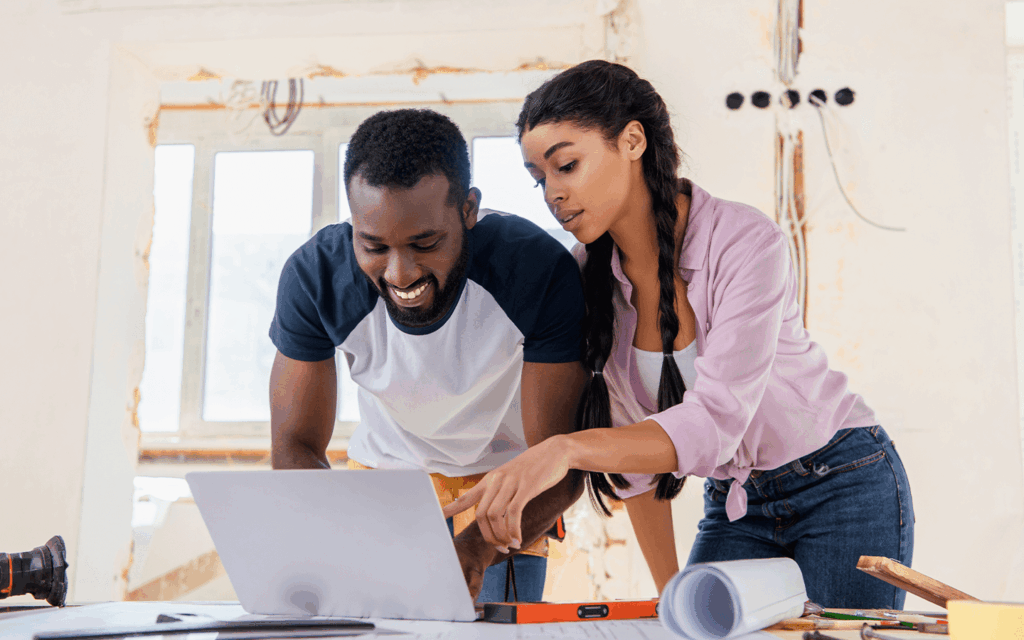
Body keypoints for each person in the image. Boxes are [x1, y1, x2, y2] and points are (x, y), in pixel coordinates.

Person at [444, 60, 914, 609]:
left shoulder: (745, 242)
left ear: (633, 141)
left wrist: (566, 449)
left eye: (566, 165)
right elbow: (639, 464)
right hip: (737, 502)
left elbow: (716, 419)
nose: (552, 193)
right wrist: (672, 601)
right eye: (539, 178)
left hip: (842, 481)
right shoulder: (583, 278)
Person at [269, 108, 587, 602]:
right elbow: (294, 448)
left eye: (425, 243)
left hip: (508, 485)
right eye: (373, 245)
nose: (400, 274)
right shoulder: (316, 279)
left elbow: (562, 463)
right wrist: (351, 537)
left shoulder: (534, 270)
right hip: (383, 485)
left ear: (468, 210)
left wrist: (475, 548)